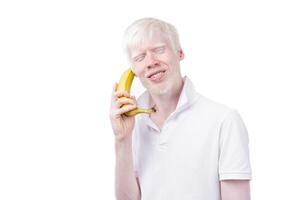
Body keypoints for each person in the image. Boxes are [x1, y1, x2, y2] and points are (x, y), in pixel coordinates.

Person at [110, 17, 252, 200]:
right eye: (139, 57)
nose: (150, 62)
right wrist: (122, 139)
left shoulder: (224, 120)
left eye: (159, 50)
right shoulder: (133, 125)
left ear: (180, 53)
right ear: (133, 71)